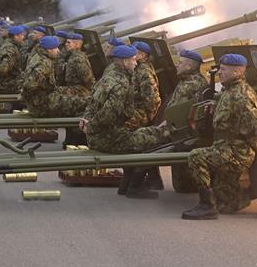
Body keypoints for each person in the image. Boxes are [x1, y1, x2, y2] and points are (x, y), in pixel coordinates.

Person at [183, 53, 257, 220]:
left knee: (196, 157)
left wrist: (246, 155)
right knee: (225, 205)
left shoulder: (241, 96)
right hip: (225, 146)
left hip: (235, 150)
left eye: (224, 70)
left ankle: (207, 206)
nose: (220, 73)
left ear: (237, 72)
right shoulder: (229, 91)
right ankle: (253, 192)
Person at [79, 45, 167, 199]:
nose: (136, 63)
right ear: (125, 62)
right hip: (108, 139)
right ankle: (135, 187)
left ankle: (125, 185)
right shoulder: (121, 84)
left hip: (101, 136)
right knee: (153, 139)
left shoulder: (109, 76)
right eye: (133, 60)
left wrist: (88, 123)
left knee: (144, 134)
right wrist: (91, 126)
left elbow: (91, 105)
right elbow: (108, 115)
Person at [122, 40, 163, 192]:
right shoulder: (137, 68)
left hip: (142, 113)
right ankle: (151, 178)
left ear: (143, 55)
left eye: (135, 52)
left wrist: (148, 118)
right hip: (136, 110)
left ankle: (138, 177)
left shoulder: (145, 71)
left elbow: (152, 99)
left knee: (125, 133)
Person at [167, 49, 211, 193]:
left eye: (180, 63)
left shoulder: (192, 84)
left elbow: (179, 112)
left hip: (180, 130)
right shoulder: (186, 81)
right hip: (176, 127)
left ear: (189, 66)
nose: (177, 65)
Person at [21, 35, 69, 117]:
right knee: (78, 103)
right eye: (56, 48)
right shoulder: (44, 63)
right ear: (49, 49)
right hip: (42, 106)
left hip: (37, 103)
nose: (58, 51)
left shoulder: (37, 56)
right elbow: (30, 84)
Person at [0, 25, 27, 92]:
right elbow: (3, 70)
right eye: (21, 35)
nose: (23, 37)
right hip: (6, 84)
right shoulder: (10, 48)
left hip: (4, 81)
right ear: (16, 36)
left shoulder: (8, 44)